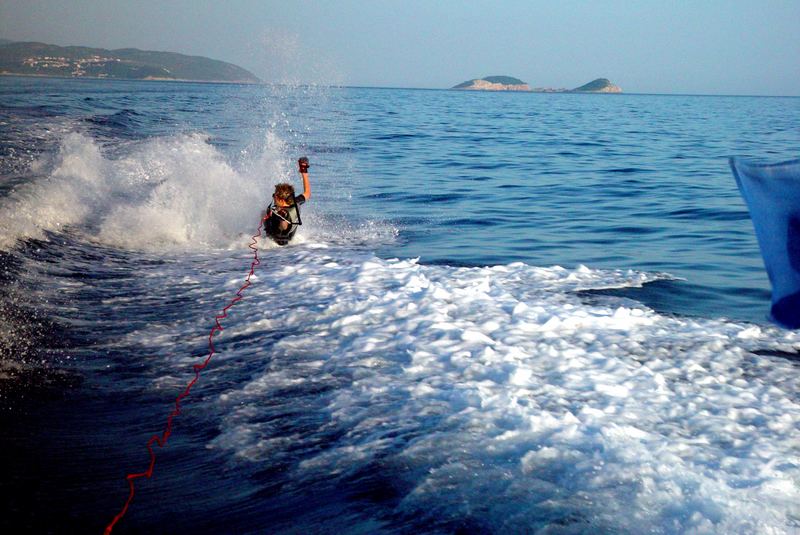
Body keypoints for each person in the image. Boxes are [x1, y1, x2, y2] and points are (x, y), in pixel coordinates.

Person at [263, 157, 311, 245]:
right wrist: (304, 172)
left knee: (265, 212)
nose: (273, 197)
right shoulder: (294, 202)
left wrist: (280, 216)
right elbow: (307, 193)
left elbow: (284, 226)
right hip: (288, 241)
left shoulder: (282, 214)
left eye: (274, 196)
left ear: (280, 199)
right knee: (263, 212)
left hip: (275, 244)